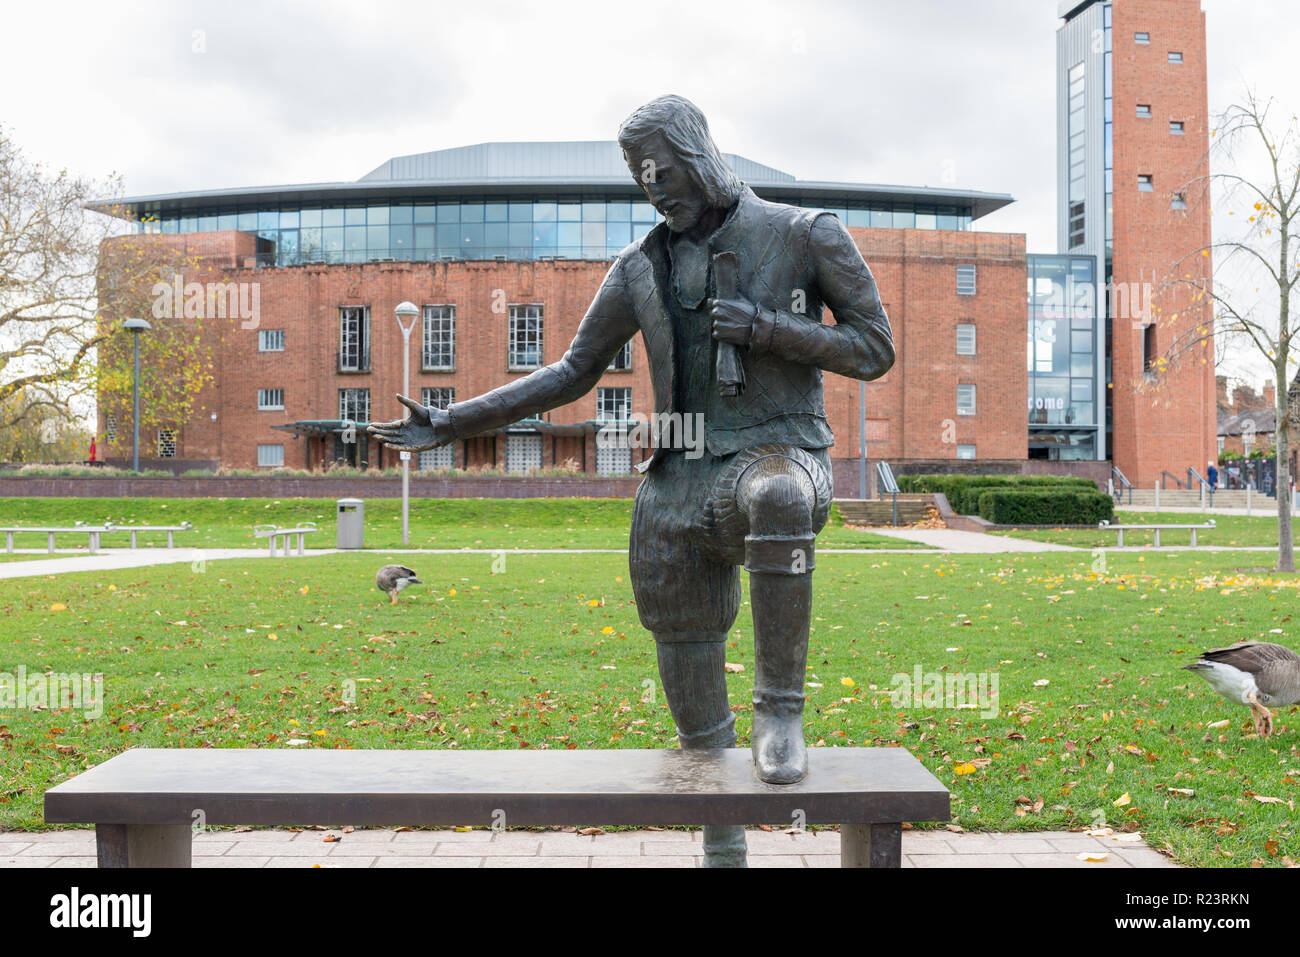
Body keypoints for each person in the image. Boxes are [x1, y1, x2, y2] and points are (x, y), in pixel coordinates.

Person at [369, 95, 895, 867]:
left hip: (778, 451)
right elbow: (571, 372)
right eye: (643, 179)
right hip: (682, 474)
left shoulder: (802, 234)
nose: (657, 189)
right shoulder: (639, 267)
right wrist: (452, 423)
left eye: (666, 171)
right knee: (671, 592)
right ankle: (722, 834)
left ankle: (780, 711)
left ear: (700, 154)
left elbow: (873, 348)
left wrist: (771, 328)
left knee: (778, 495)